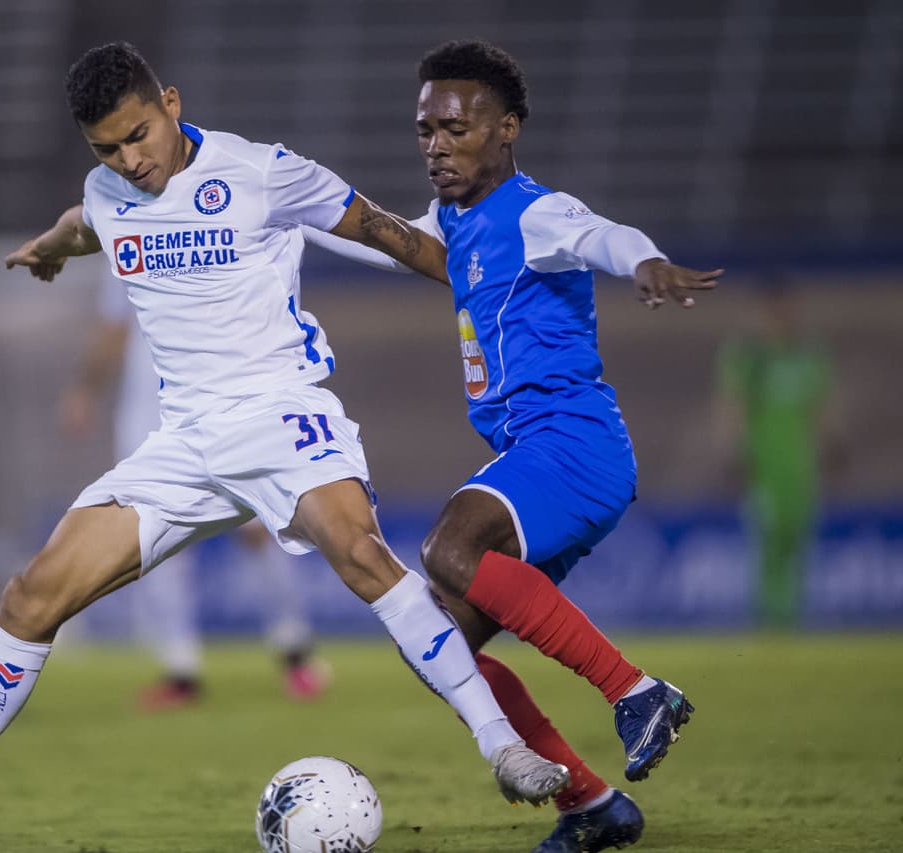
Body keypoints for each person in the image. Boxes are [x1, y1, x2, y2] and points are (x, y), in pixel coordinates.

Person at [0, 41, 569, 853]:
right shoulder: (107, 192)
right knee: (31, 595)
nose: (130, 160)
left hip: (281, 414)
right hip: (184, 443)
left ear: (170, 102)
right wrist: (46, 248)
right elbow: (84, 223)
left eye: (140, 134)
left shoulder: (263, 172)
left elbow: (394, 237)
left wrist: (510, 287)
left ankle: (503, 746)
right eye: (108, 147)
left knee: (359, 551)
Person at [303, 39, 721, 853]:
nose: (436, 146)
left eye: (457, 128)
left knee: (448, 545)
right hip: (537, 455)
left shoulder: (531, 211)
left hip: (574, 446)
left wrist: (646, 261)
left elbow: (603, 232)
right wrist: (284, 214)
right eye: (425, 130)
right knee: (438, 647)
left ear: (506, 130)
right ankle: (593, 804)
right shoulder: (454, 224)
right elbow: (382, 236)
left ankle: (637, 692)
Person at [59, 263, 328, 708]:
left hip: (225, 408)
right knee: (153, 542)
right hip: (148, 421)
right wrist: (85, 390)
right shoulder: (126, 244)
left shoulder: (215, 232)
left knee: (261, 529)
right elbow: (113, 326)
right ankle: (181, 669)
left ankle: (294, 649)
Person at [715, 280, 835, 630]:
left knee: (797, 540)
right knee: (767, 542)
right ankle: (768, 619)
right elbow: (732, 406)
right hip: (762, 467)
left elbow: (821, 404)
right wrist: (732, 451)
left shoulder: (808, 352)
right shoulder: (749, 357)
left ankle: (790, 619)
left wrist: (831, 444)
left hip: (801, 466)